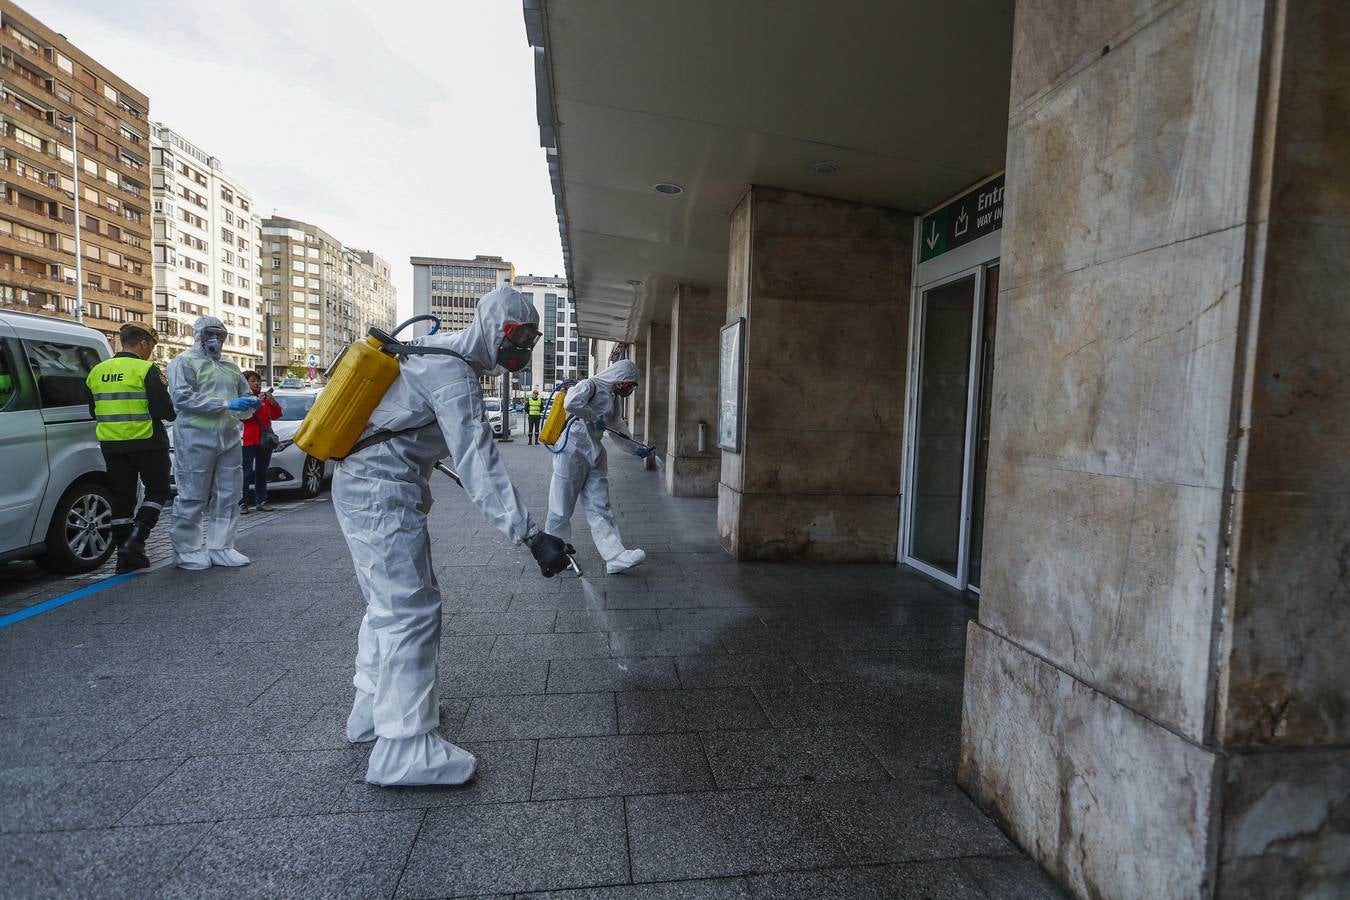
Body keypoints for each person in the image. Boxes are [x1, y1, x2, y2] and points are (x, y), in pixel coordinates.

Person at [334, 286, 575, 787]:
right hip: (380, 493)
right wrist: (531, 536)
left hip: (369, 487)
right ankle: (403, 750)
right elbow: (480, 466)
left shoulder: (436, 354)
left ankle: (372, 713)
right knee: (410, 609)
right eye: (515, 335)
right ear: (491, 328)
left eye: (530, 339)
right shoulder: (453, 374)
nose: (521, 347)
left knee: (387, 605)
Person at [166, 316, 258, 570]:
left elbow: (244, 397)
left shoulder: (230, 366)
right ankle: (187, 550)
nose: (215, 339)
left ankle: (222, 546)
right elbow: (183, 398)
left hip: (228, 436)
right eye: (209, 333)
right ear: (198, 334)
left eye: (220, 334)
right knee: (193, 494)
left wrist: (250, 405)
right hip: (195, 436)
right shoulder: (183, 362)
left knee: (229, 494)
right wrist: (226, 405)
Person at [84, 323, 176, 573]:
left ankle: (125, 554)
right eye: (152, 347)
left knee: (122, 497)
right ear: (144, 343)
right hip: (147, 441)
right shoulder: (146, 370)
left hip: (112, 444)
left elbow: (94, 410)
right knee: (158, 491)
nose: (151, 353)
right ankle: (137, 538)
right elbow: (163, 410)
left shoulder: (97, 371)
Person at [546, 358, 648, 575]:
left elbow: (616, 426)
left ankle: (615, 556)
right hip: (572, 448)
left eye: (632, 386)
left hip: (594, 451)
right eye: (629, 384)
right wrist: (592, 418)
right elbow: (570, 402)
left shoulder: (613, 397)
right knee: (562, 503)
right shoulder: (589, 385)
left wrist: (634, 449)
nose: (629, 389)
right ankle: (552, 549)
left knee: (601, 505)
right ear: (619, 377)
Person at [239, 370, 283, 514]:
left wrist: (272, 402)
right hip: (248, 440)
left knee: (261, 472)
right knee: (246, 473)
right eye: (253, 381)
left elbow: (277, 415)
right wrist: (255, 401)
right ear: (246, 383)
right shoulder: (243, 397)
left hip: (264, 440)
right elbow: (244, 417)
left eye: (258, 380)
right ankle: (243, 502)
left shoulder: (264, 398)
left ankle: (261, 501)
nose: (257, 383)